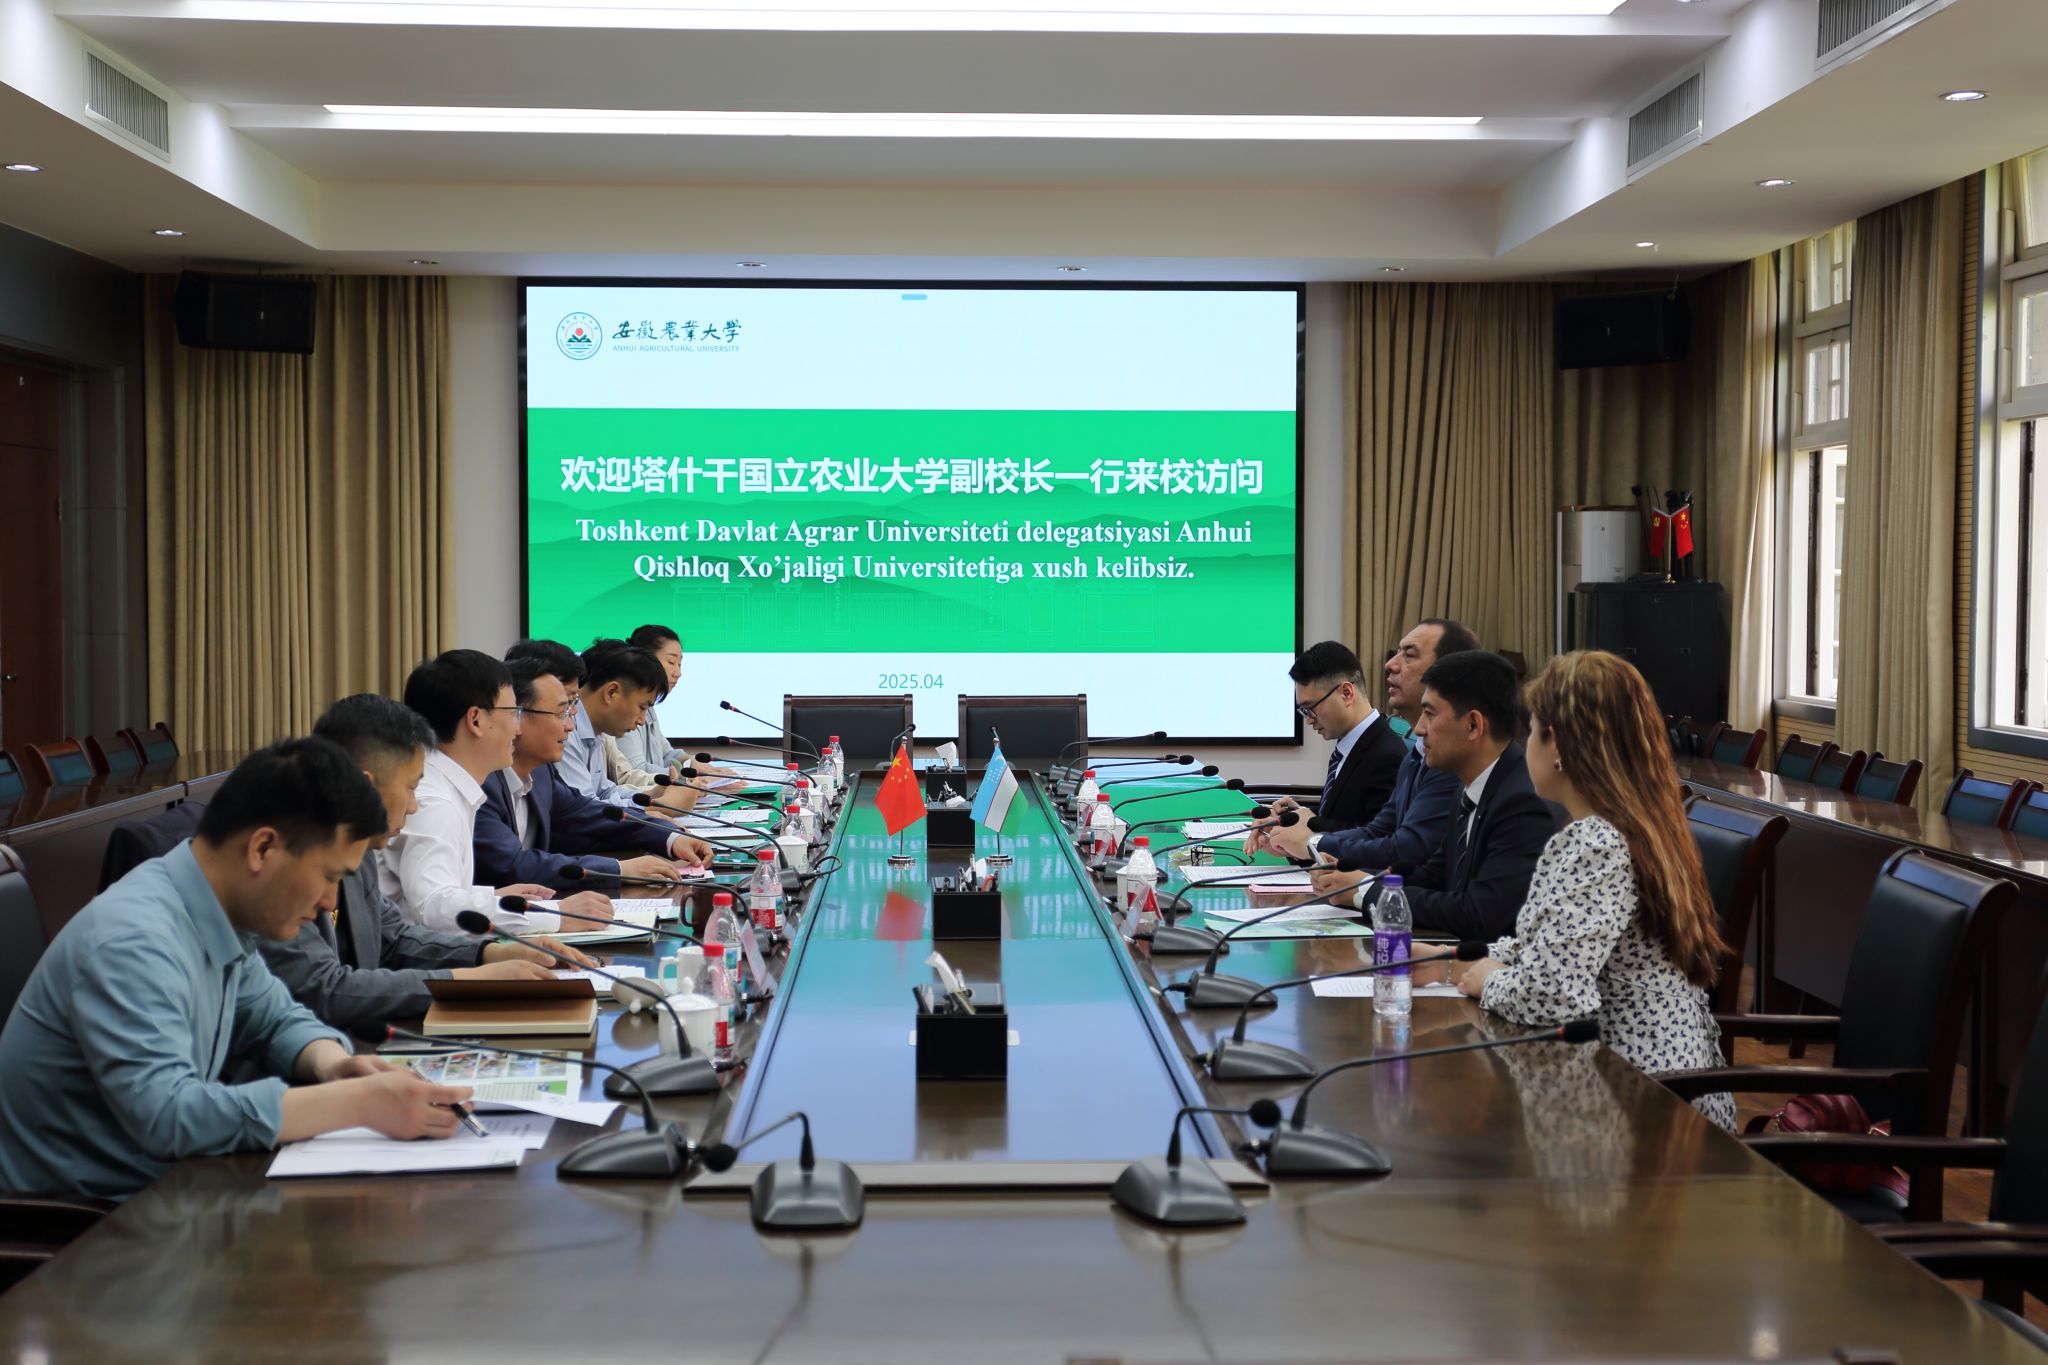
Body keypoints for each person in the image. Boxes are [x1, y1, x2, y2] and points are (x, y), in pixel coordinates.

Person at [0, 739, 475, 1201]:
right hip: (78, 1224)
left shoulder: (216, 911)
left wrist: (333, 1064)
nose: (329, 902)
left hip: (170, 1193)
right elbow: (168, 1117)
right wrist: (358, 1103)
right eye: (328, 876)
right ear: (262, 848)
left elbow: (274, 1018)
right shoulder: (133, 941)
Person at [1447, 650, 1735, 1130]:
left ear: (1558, 744)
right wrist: (1456, 959)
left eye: (1531, 730)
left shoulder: (1597, 842)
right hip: (1654, 1081)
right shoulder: (1636, 823)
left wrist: (1489, 980)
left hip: (1638, 1104)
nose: (1524, 746)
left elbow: (1553, 997)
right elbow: (1553, 944)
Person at [257, 695, 596, 1031]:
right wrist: (468, 981)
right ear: (365, 786)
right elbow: (323, 989)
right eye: (410, 788)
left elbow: (394, 939)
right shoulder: (285, 858)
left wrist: (490, 953)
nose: (413, 806)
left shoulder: (359, 849)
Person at [382, 648, 612, 935]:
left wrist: (491, 898)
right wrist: (555, 916)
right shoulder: (436, 802)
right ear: (476, 720)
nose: (518, 729)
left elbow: (434, 894)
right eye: (513, 713)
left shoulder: (448, 785)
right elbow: (435, 908)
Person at [1356, 649, 1557, 941]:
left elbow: (1480, 914)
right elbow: (1433, 876)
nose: (1418, 729)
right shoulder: (1469, 787)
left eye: (1429, 714)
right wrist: (1360, 881)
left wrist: (1366, 893)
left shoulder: (1522, 802)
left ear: (1473, 725)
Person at [1258, 618, 1477, 877]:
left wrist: (1311, 840)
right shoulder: (1414, 756)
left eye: (1409, 655)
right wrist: (1302, 833)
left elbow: (1402, 849)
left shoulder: (1441, 761)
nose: (1390, 664)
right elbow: (1377, 832)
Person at [476, 656, 715, 889]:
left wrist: (670, 838)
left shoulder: (540, 775)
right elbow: (512, 865)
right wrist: (618, 870)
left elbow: (591, 813)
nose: (570, 725)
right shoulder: (482, 782)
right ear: (516, 717)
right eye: (560, 713)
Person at [1268, 640, 1406, 832]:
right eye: (1303, 712)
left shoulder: (1388, 756)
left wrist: (1311, 823)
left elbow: (1378, 837)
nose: (1308, 721)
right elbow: (1343, 815)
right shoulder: (1350, 744)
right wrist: (1299, 814)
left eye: (1310, 708)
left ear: (1347, 693)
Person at [617, 623, 685, 775]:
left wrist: (693, 764)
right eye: (671, 662)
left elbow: (666, 754)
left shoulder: (649, 705)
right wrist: (686, 779)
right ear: (647, 659)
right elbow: (636, 770)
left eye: (680, 664)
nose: (678, 673)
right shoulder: (625, 705)